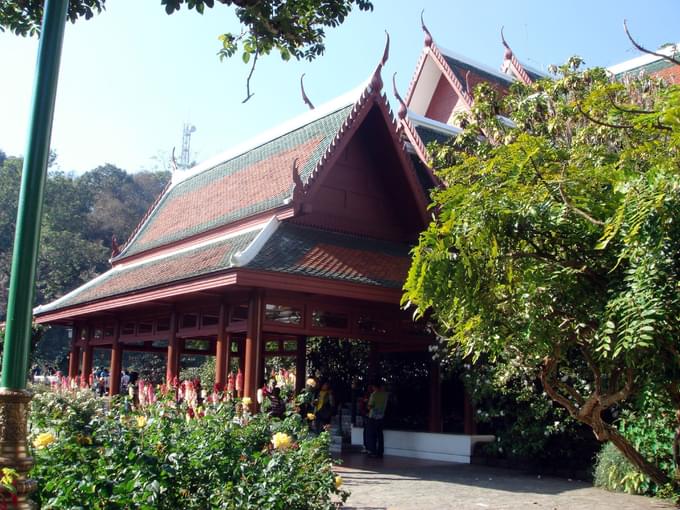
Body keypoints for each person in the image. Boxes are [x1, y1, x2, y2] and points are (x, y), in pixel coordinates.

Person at [366, 381, 388, 458]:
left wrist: (366, 403)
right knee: (380, 435)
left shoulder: (374, 395)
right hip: (381, 416)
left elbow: (370, 406)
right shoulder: (385, 395)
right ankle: (380, 452)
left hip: (373, 417)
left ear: (375, 387)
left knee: (372, 435)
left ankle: (373, 451)